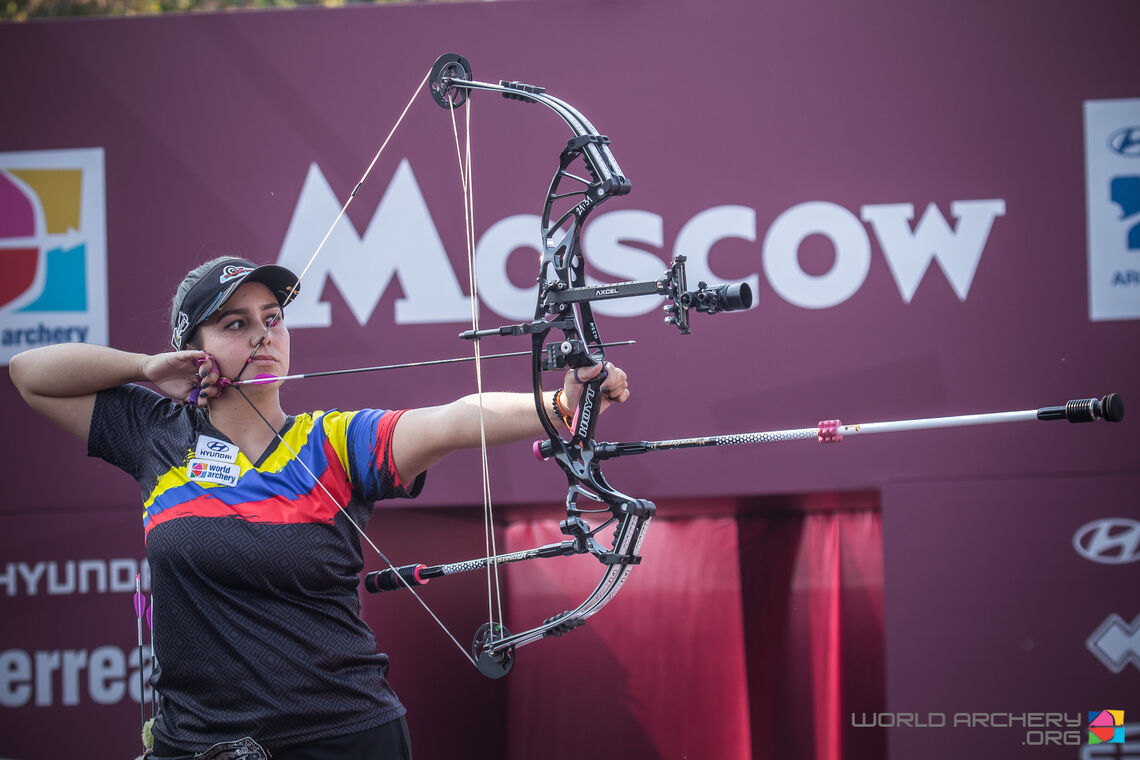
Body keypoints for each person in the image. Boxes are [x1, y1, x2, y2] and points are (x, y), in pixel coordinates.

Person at [8, 256, 630, 760]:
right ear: (192, 349)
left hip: (341, 737)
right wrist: (146, 368)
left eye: (272, 318)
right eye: (234, 324)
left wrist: (558, 406)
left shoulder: (332, 442)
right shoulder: (158, 435)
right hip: (197, 744)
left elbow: (452, 420)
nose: (262, 335)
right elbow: (29, 372)